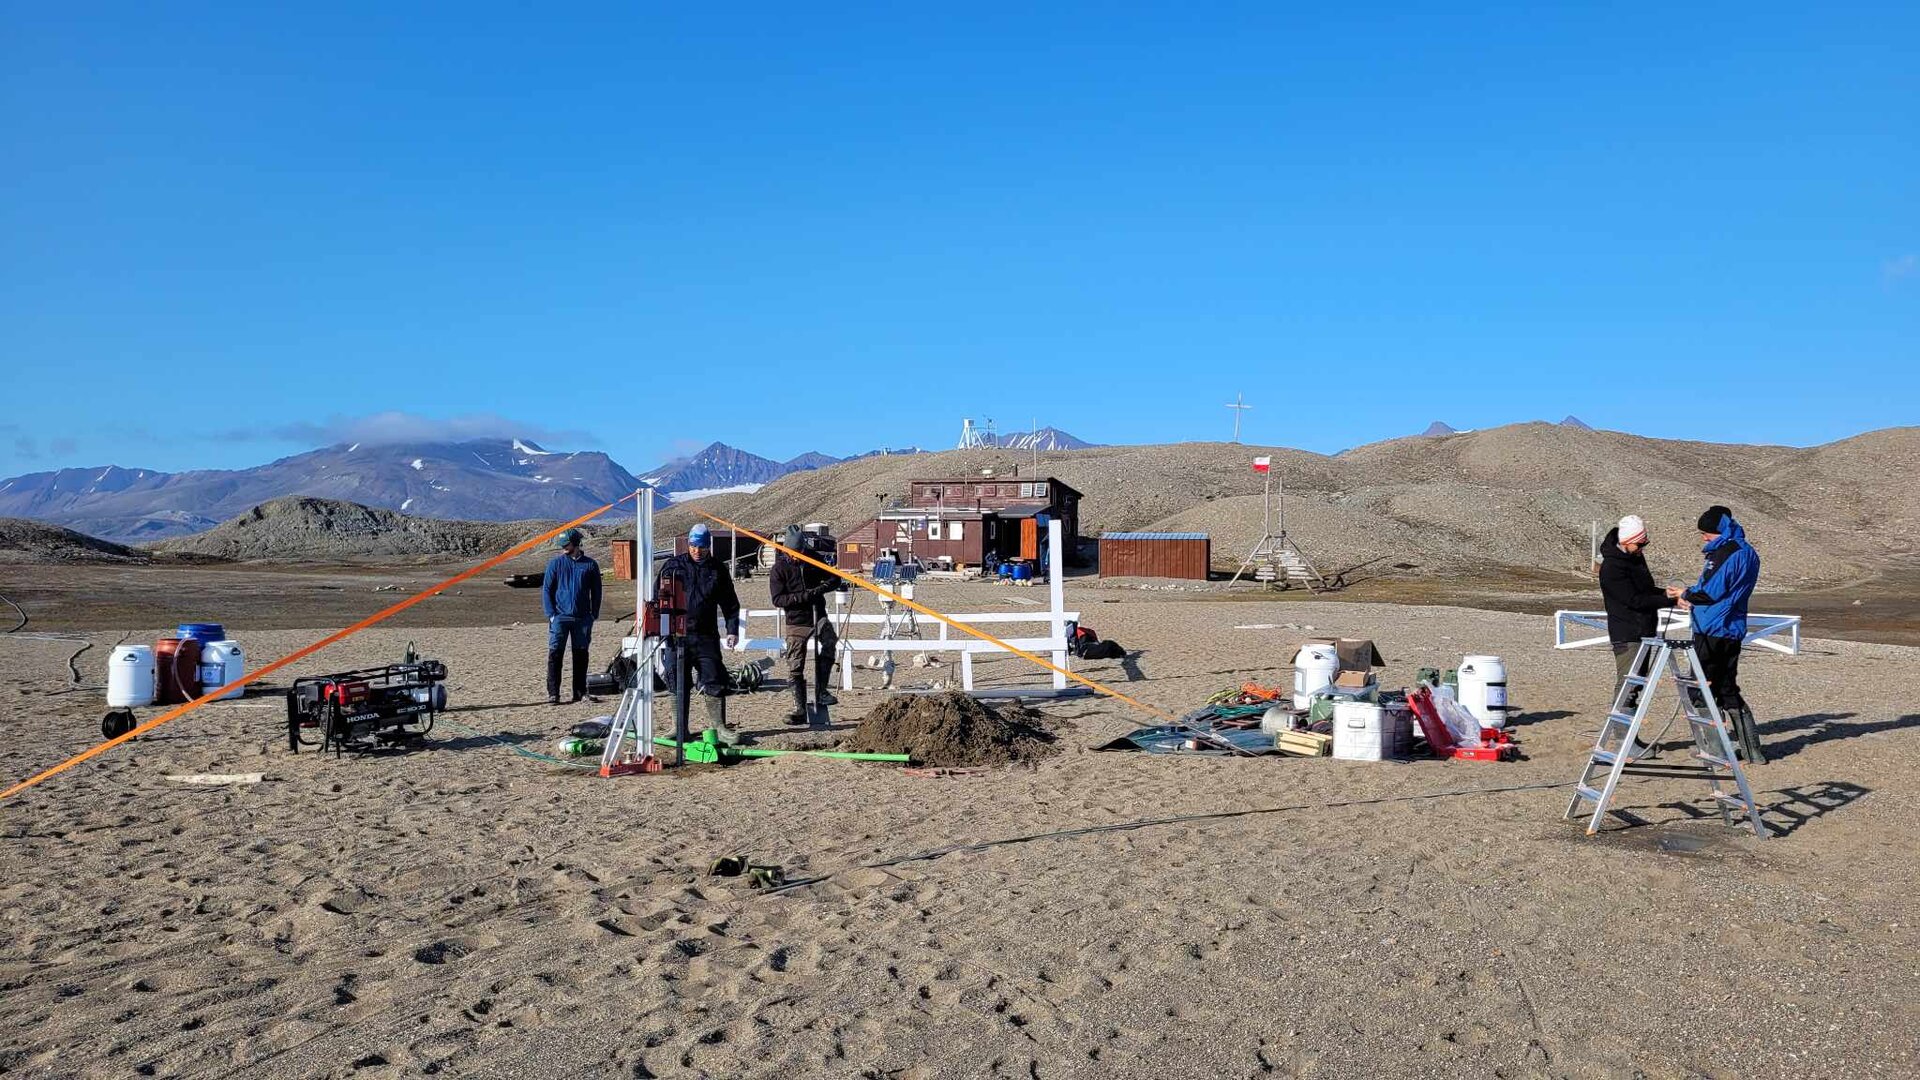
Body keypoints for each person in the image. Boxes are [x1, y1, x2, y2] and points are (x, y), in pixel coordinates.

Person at [1668, 505, 1764, 763]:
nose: (1704, 538)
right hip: (1731, 628)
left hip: (1712, 629)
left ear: (1718, 530)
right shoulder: (1748, 552)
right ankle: (1752, 750)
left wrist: (1685, 594)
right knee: (1727, 687)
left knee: (1701, 688)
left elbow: (1711, 590)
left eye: (1706, 533)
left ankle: (1715, 750)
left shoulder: (1726, 553)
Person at [656, 523, 743, 741]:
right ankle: (679, 728)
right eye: (694, 546)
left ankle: (719, 729)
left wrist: (732, 630)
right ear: (689, 544)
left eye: (702, 547)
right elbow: (659, 599)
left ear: (708, 546)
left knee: (714, 679)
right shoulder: (673, 567)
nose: (697, 551)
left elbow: (730, 603)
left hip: (706, 636)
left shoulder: (717, 569)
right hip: (677, 637)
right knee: (677, 680)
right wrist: (662, 629)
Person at [1596, 514, 1672, 710]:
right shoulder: (1612, 567)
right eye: (1639, 545)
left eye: (1644, 544)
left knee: (1636, 685)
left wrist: (1667, 593)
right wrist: (1668, 599)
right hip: (1628, 634)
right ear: (1627, 541)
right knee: (1627, 686)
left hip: (1644, 630)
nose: (1641, 549)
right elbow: (1634, 600)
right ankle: (1623, 735)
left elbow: (1645, 591)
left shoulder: (1635, 558)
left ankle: (1630, 737)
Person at [769, 525, 841, 727]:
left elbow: (834, 578)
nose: (796, 557)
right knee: (795, 663)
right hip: (796, 620)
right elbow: (778, 599)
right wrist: (805, 595)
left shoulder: (813, 558)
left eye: (799, 552)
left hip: (818, 613)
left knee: (829, 641)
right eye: (792, 553)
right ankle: (799, 708)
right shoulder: (779, 568)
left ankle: (822, 691)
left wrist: (824, 587)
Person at [541, 528, 602, 706]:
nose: (563, 548)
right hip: (560, 617)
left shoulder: (590, 565)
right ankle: (553, 694)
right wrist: (551, 614)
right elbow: (547, 589)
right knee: (555, 654)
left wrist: (593, 614)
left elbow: (596, 591)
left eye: (566, 544)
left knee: (581, 655)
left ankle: (579, 692)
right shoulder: (555, 564)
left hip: (583, 618)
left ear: (575, 543)